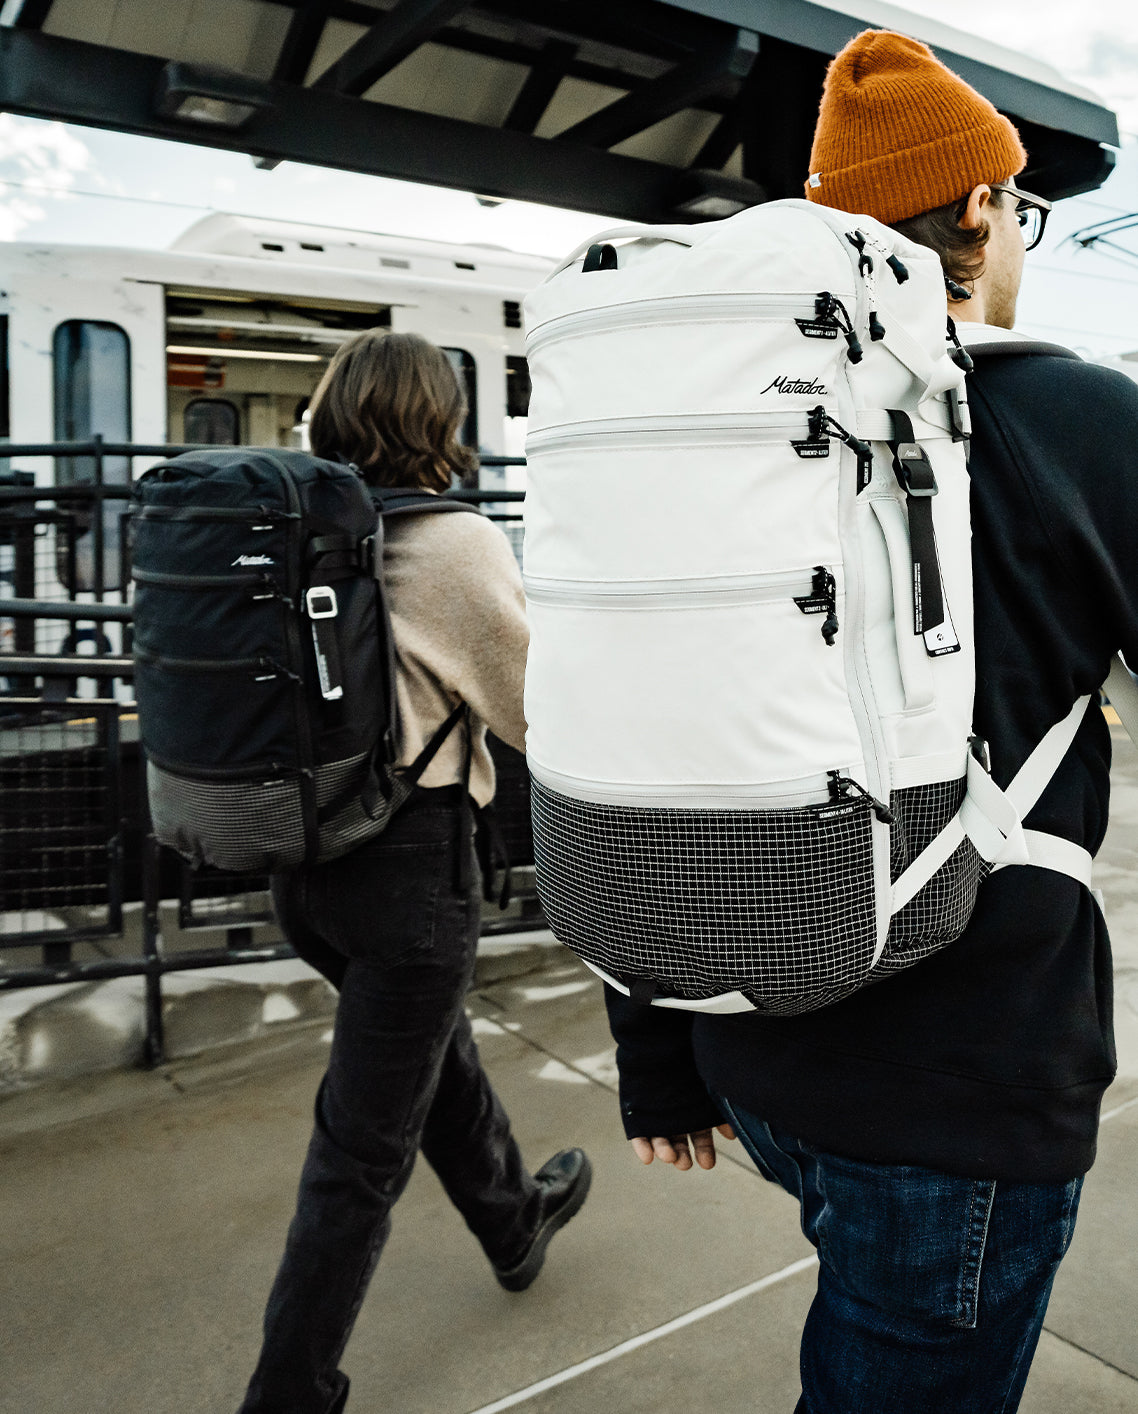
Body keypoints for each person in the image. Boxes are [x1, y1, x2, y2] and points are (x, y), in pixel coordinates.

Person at [603, 30, 1138, 1414]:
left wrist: (656, 1053)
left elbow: (630, 726)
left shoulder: (710, 426)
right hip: (961, 1082)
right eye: (1016, 207)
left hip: (743, 1035)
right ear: (975, 208)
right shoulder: (1072, 419)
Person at [239, 331, 591, 1414]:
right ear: (436, 420)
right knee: (357, 1156)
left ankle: (512, 1219)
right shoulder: (453, 543)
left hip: (300, 869)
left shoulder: (282, 533)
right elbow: (537, 714)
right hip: (408, 878)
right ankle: (289, 1392)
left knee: (426, 1059)